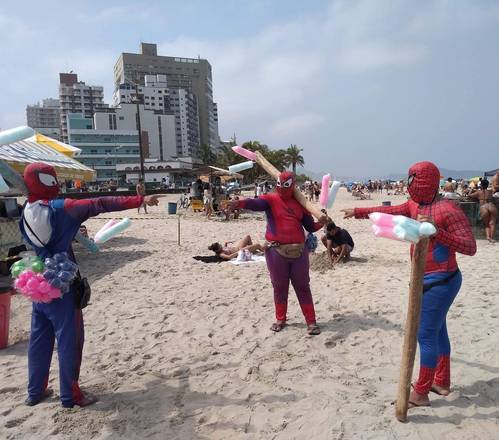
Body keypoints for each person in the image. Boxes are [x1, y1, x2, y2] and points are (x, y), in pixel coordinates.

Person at [20, 162, 160, 408]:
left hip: (37, 280)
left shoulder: (26, 211)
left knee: (39, 338)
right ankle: (70, 395)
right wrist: (139, 200)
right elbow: (100, 203)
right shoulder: (61, 208)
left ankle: (35, 392)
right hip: (62, 282)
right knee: (69, 340)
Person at [342, 161, 476, 408]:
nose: (410, 185)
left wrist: (436, 232)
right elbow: (391, 211)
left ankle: (421, 391)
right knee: (438, 331)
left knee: (425, 334)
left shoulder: (448, 210)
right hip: (423, 279)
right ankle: (442, 381)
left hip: (443, 280)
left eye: (414, 180)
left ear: (427, 181)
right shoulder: (414, 205)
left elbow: (470, 247)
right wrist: (357, 211)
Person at [227, 171, 327, 335]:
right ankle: (280, 319)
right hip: (276, 251)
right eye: (279, 184)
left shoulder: (301, 204)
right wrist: (240, 203)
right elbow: (256, 203)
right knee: (279, 287)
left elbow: (309, 226)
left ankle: (311, 321)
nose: (281, 188)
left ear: (293, 186)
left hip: (299, 251)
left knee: (303, 286)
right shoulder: (270, 199)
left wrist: (321, 222)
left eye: (285, 185)